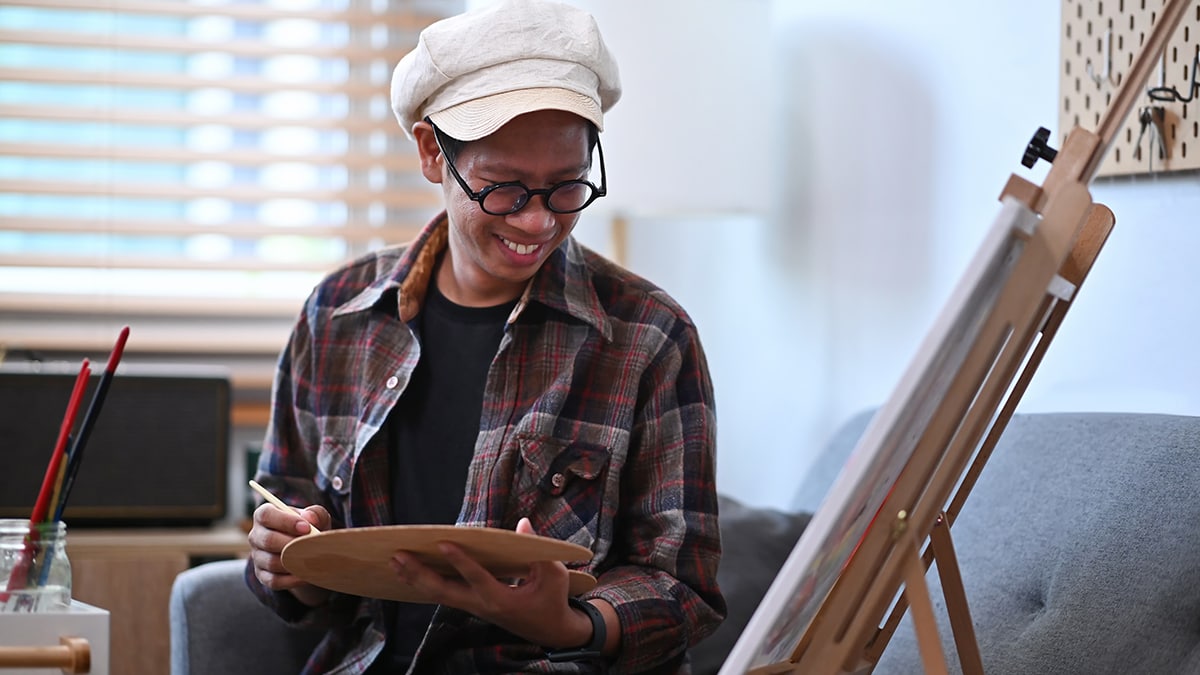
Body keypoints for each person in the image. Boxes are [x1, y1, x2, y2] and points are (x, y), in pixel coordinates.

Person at [244, 0, 725, 672]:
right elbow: (289, 518)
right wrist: (283, 559)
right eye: (504, 189)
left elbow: (685, 585)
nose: (536, 223)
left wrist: (572, 622)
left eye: (566, 187)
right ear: (431, 152)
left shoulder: (648, 337)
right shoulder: (338, 317)